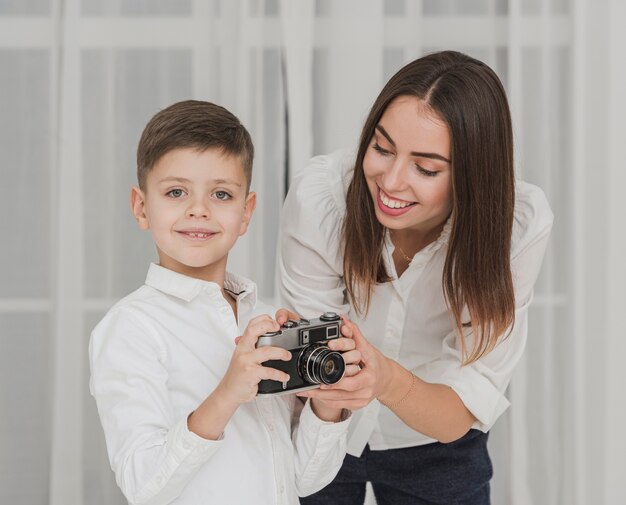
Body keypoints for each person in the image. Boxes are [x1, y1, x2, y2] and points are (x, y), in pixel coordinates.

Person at [278, 50, 554, 505]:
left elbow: (463, 404)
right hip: (318, 424)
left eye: (425, 168)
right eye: (382, 148)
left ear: (473, 175)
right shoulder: (322, 199)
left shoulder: (516, 228)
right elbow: (312, 362)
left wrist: (383, 379)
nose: (390, 181)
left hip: (437, 439)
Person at [89, 100, 360, 505]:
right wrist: (228, 392)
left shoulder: (266, 321)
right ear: (141, 207)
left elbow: (303, 479)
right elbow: (145, 487)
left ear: (245, 212)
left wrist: (325, 402)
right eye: (176, 192)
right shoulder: (130, 328)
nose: (198, 209)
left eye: (221, 193)